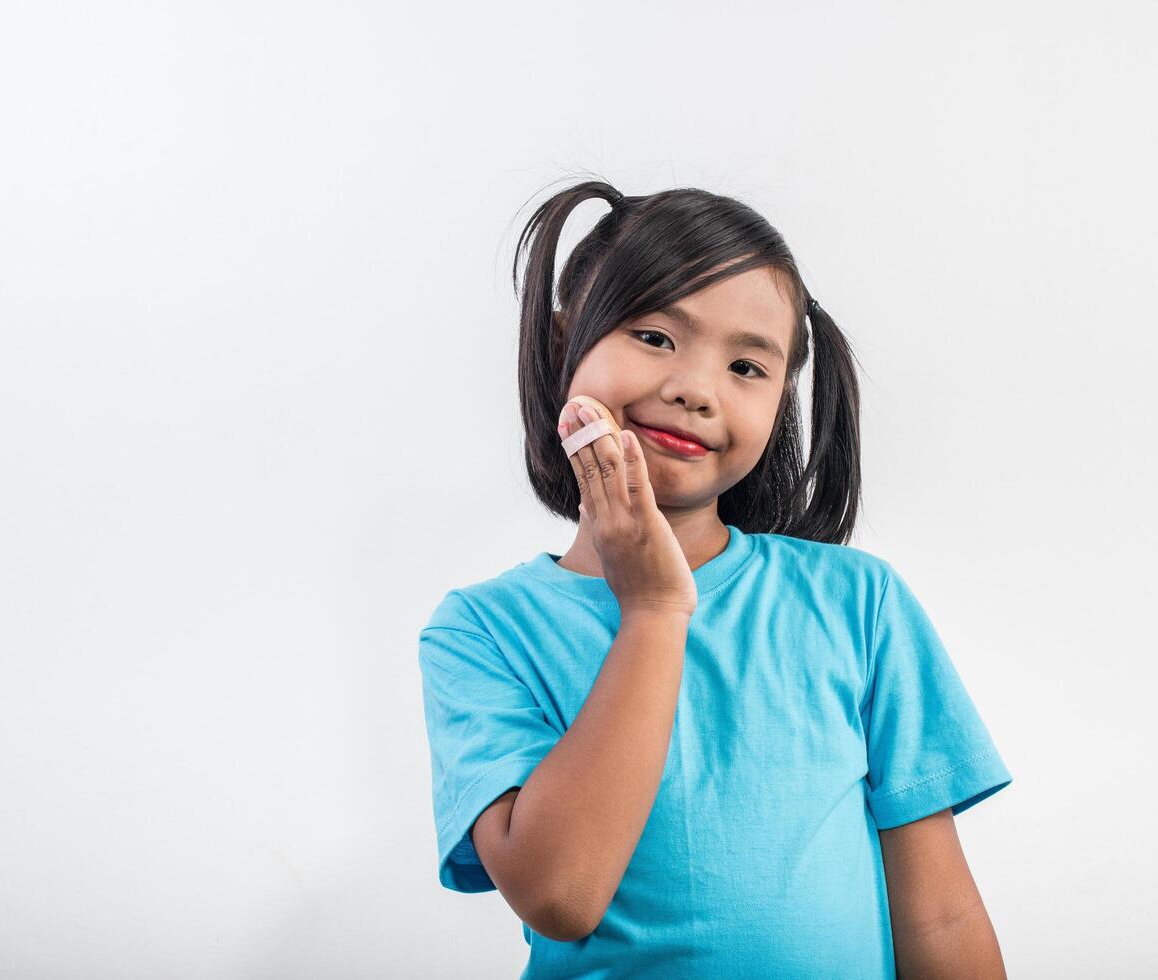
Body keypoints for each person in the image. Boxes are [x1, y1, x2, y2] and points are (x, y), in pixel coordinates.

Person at [416, 180, 1014, 978]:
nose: (696, 388)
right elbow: (560, 893)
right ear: (564, 345)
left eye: (744, 365)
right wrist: (653, 610)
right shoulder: (482, 631)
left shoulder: (856, 604)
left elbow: (939, 914)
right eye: (656, 337)